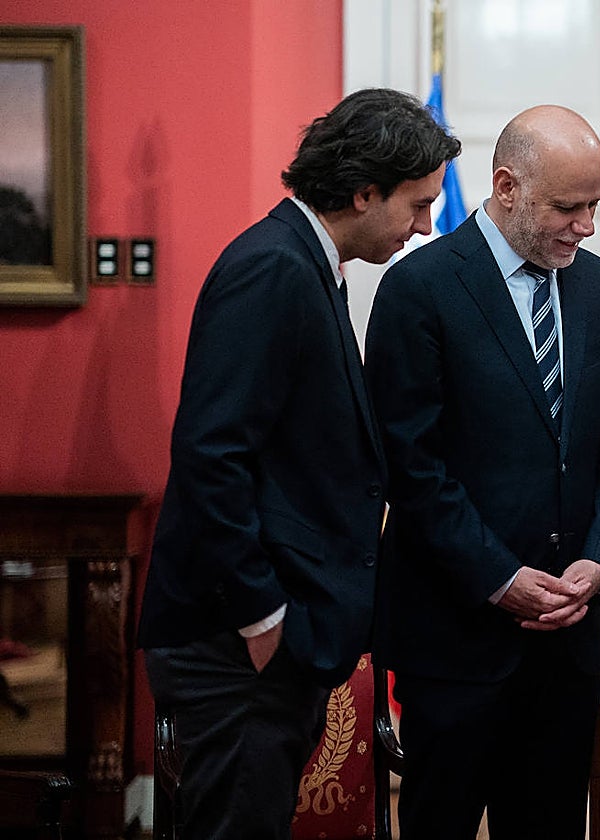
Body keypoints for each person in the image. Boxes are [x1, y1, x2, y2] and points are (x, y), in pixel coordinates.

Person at [137, 88, 461, 840]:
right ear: (362, 191)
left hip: (267, 643)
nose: (424, 227)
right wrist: (263, 619)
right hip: (236, 646)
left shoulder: (310, 265)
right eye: (417, 205)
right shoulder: (273, 269)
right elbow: (211, 454)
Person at [364, 104, 600, 840]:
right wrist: (501, 578)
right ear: (506, 186)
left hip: (567, 639)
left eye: (595, 206)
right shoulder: (418, 288)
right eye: (568, 206)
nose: (586, 225)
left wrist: (599, 560)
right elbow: (413, 468)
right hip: (456, 638)